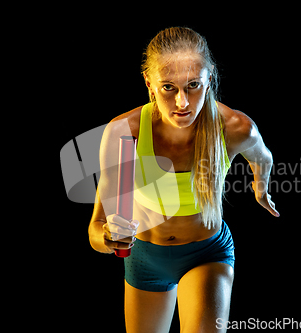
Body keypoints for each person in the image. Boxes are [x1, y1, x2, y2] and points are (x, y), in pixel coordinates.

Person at [88, 27, 279, 333]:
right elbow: (95, 232)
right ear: (149, 83)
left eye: (193, 85)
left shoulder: (235, 128)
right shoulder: (123, 132)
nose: (182, 102)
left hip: (207, 253)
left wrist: (260, 187)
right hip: (145, 259)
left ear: (209, 78)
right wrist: (109, 238)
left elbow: (263, 158)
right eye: (168, 88)